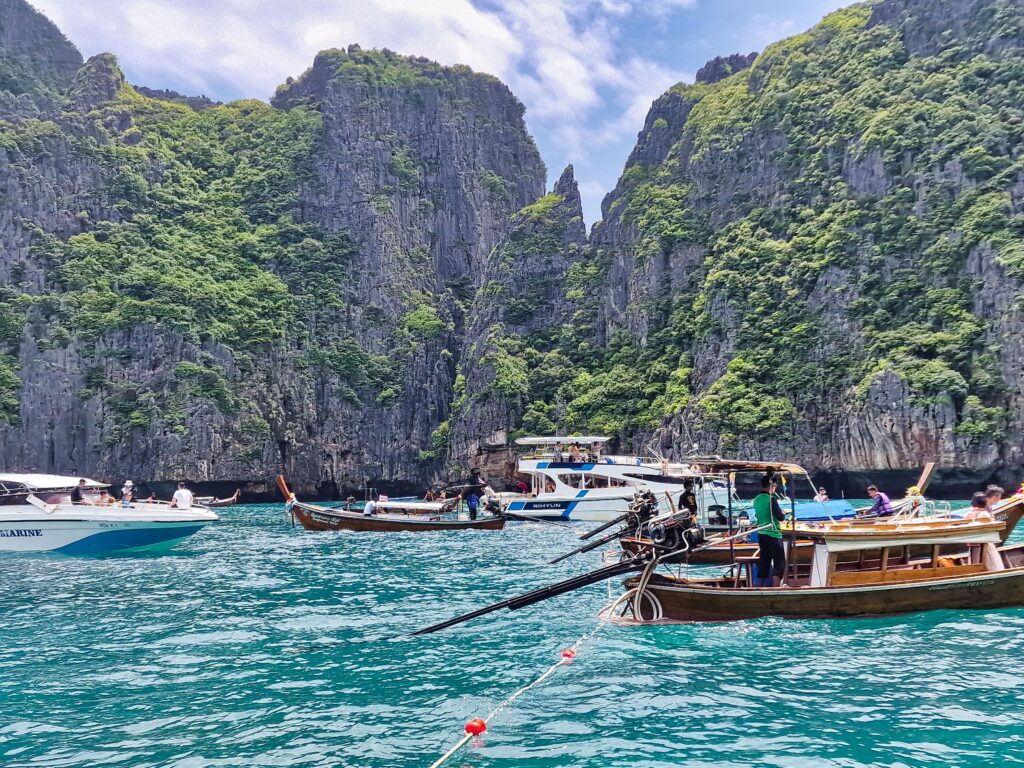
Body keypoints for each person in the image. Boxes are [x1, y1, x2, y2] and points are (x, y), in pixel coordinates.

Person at [754, 475, 787, 587]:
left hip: (762, 534)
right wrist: (784, 513)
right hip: (773, 534)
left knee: (764, 562)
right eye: (775, 486)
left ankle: (758, 587)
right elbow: (780, 517)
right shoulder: (771, 499)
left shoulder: (757, 499)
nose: (776, 488)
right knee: (779, 564)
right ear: (771, 485)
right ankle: (776, 588)